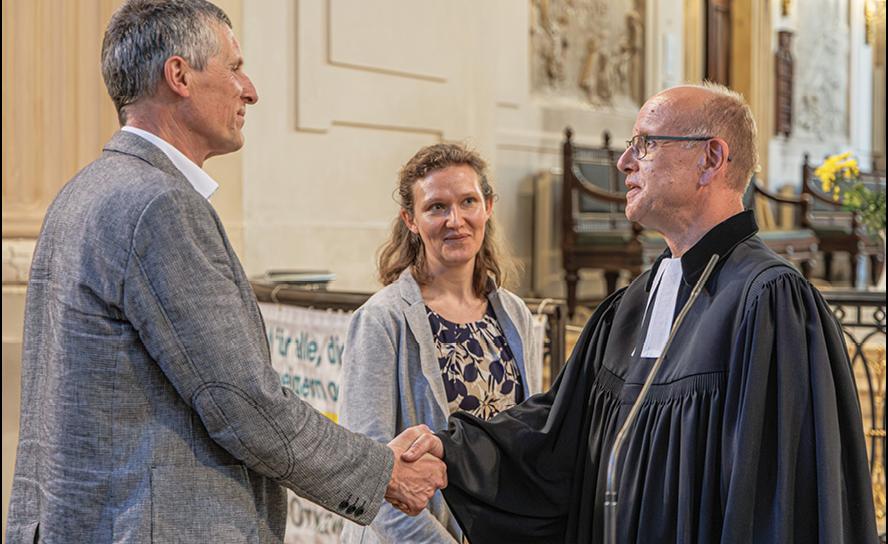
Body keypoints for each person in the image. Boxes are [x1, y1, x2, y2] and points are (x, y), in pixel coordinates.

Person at [5, 1, 445, 542]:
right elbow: (243, 404)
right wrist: (381, 471)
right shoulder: (160, 207)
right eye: (234, 67)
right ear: (179, 75)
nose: (250, 89)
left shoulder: (80, 193)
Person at [403, 83, 879, 543]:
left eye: (645, 144)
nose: (624, 161)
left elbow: (779, 499)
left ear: (710, 159)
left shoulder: (769, 302)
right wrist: (454, 448)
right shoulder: (635, 301)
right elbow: (562, 427)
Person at [339, 144, 541, 543]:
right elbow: (366, 471)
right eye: (436, 207)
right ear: (410, 220)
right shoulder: (382, 320)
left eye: (468, 201)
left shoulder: (515, 315)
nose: (456, 220)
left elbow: (525, 442)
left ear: (488, 207)